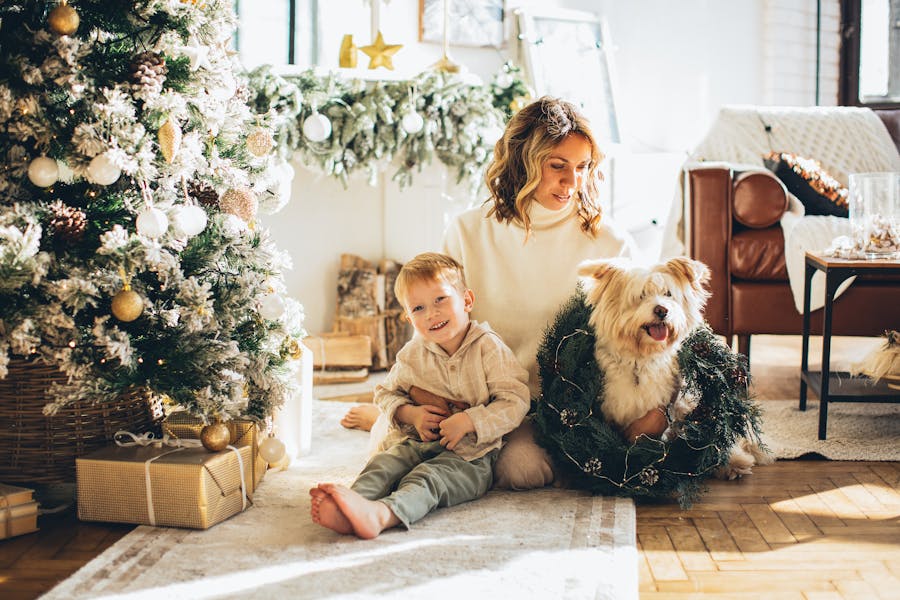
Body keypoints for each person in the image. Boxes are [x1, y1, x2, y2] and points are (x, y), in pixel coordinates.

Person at [342, 96, 666, 488]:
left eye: (583, 168)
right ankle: (377, 416)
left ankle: (379, 416)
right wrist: (422, 392)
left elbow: (646, 328)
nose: (572, 182)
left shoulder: (609, 242)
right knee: (391, 453)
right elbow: (432, 316)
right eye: (557, 166)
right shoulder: (468, 230)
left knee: (521, 471)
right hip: (473, 395)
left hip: (553, 408)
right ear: (523, 163)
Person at [311, 252, 530, 538]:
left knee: (427, 479)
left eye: (441, 299)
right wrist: (411, 414)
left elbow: (515, 400)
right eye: (418, 308)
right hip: (415, 443)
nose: (431, 313)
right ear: (409, 318)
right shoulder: (413, 354)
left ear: (466, 301)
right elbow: (386, 393)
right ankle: (352, 504)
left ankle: (383, 514)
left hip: (470, 458)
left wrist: (470, 420)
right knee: (384, 464)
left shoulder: (488, 348)